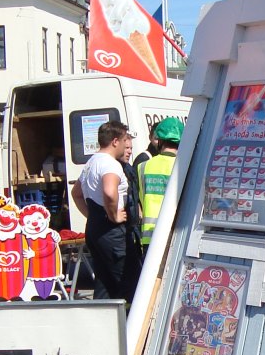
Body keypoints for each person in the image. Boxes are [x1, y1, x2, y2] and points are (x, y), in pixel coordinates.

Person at [70, 121, 142, 302]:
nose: (127, 145)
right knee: (129, 282)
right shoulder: (110, 164)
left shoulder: (91, 162)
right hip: (112, 231)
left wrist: (94, 217)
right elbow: (110, 193)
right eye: (125, 140)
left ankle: (105, 324)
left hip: (95, 228)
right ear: (115, 141)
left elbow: (76, 194)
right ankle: (132, 327)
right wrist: (113, 215)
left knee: (105, 283)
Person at [137, 117, 183, 248]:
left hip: (149, 236)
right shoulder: (184, 167)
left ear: (160, 140)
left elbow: (140, 199)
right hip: (174, 234)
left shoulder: (143, 166)